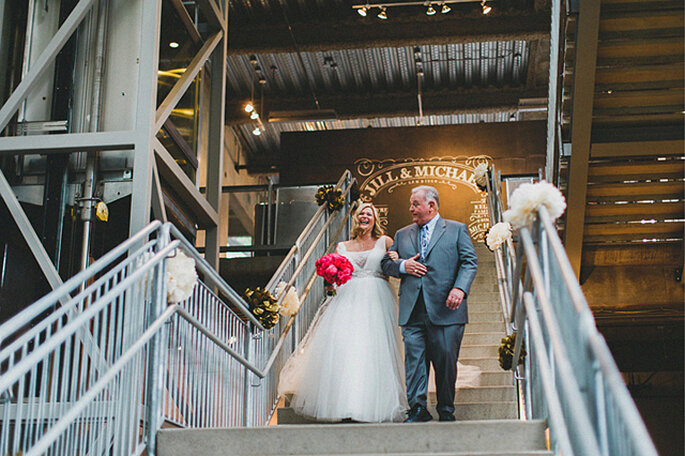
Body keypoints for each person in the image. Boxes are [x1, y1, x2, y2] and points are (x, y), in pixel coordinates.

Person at [278, 202, 408, 422]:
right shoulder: (342, 246)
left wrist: (396, 260)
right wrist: (329, 283)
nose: (365, 216)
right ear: (356, 218)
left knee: (374, 348)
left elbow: (394, 266)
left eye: (370, 213)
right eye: (362, 213)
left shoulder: (385, 241)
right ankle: (346, 403)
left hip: (377, 299)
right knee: (347, 348)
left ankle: (374, 402)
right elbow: (334, 278)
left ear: (375, 219)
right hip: (347, 299)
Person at [381, 185, 478, 422]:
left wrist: (460, 288)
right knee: (414, 362)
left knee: (445, 362)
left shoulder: (456, 230)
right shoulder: (402, 234)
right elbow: (386, 263)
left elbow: (469, 261)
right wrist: (403, 266)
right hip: (412, 309)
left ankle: (446, 409)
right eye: (411, 204)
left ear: (431, 205)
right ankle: (417, 409)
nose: (411, 209)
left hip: (447, 309)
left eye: (415, 204)